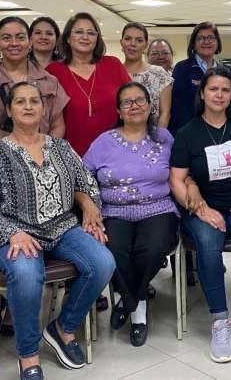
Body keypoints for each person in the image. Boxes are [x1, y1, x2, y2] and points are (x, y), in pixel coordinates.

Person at [0, 82, 115, 380]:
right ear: (10, 110)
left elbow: (85, 181)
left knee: (103, 262)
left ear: (43, 108)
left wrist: (89, 205)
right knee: (26, 273)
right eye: (21, 102)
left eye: (34, 101)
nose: (28, 106)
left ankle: (62, 328)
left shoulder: (61, 147)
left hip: (62, 227)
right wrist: (12, 233)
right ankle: (28, 355)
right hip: (15, 232)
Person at [169, 68, 231, 363]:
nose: (219, 95)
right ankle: (220, 321)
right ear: (203, 93)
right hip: (204, 207)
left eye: (226, 90)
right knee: (208, 247)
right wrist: (200, 207)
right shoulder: (188, 132)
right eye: (214, 89)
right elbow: (177, 178)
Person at [83, 82, 178, 347]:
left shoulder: (164, 137)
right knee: (115, 248)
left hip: (158, 208)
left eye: (140, 100)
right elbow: (83, 176)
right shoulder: (104, 141)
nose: (134, 105)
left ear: (150, 106)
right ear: (119, 110)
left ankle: (130, 303)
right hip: (114, 210)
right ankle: (137, 305)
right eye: (127, 102)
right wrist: (90, 206)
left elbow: (181, 172)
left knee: (151, 249)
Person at [46, 12, 130, 156]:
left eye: (91, 33)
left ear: (97, 39)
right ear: (67, 38)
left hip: (115, 155)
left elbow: (131, 104)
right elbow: (46, 119)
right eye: (78, 32)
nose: (85, 37)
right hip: (69, 157)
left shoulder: (113, 65)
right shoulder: (53, 71)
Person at [0, 16, 68, 143]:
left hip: (39, 158)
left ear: (30, 42)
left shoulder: (50, 82)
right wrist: (17, 143)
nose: (14, 43)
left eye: (20, 37)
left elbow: (58, 126)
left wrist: (43, 150)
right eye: (6, 38)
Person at [169, 22, 222, 135]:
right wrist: (195, 130)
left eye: (211, 37)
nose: (206, 41)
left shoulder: (223, 71)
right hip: (188, 132)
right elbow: (178, 105)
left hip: (217, 131)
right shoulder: (182, 68)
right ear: (193, 44)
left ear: (217, 42)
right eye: (201, 38)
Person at [120, 22, 173, 128]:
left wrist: (157, 141)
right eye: (128, 39)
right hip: (117, 139)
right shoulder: (113, 72)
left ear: (145, 45)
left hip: (152, 139)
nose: (133, 44)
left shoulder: (159, 74)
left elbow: (165, 114)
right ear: (122, 42)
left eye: (139, 40)